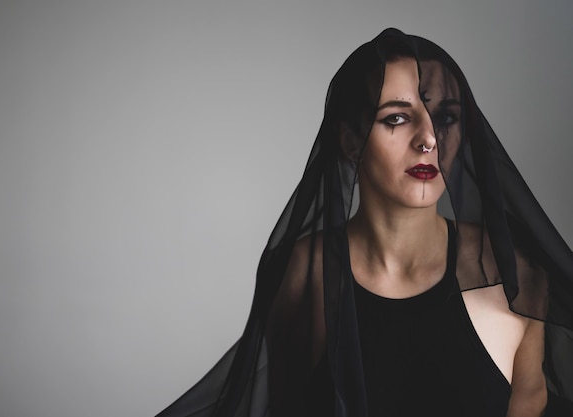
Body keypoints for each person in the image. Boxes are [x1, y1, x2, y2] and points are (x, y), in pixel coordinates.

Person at [156, 28, 573, 417]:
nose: (428, 139)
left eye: (445, 117)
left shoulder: (514, 273)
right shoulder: (302, 273)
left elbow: (529, 402)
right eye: (396, 117)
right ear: (350, 140)